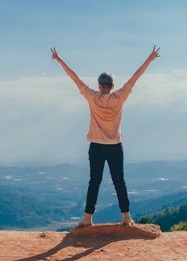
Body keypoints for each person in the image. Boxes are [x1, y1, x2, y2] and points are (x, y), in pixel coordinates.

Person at [51, 45, 161, 227]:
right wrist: (149, 59)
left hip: (96, 146)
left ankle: (88, 218)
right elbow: (135, 77)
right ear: (112, 86)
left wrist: (60, 60)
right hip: (115, 146)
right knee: (119, 181)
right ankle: (126, 217)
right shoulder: (120, 97)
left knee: (94, 181)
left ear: (99, 86)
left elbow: (75, 79)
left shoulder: (92, 97)